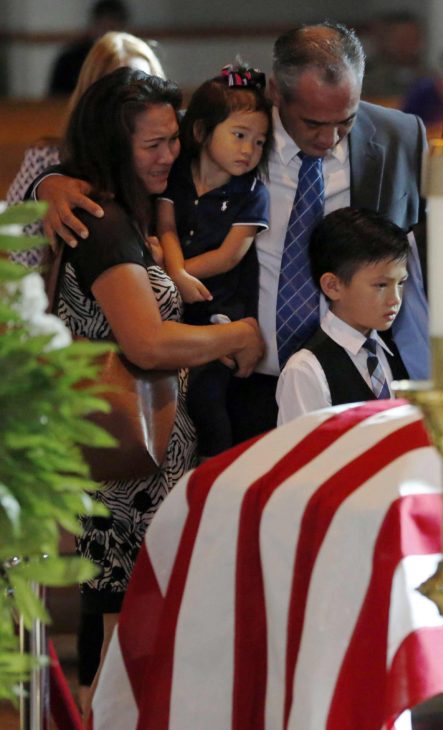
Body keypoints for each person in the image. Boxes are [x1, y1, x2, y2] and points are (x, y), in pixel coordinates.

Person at [35, 21, 443, 444]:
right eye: (312, 124)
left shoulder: (400, 137)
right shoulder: (232, 129)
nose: (328, 139)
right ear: (277, 91)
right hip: (244, 376)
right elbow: (132, 154)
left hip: (361, 382)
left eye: (344, 121)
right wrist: (52, 181)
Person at [55, 67, 264, 710]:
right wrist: (238, 335)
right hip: (128, 476)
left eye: (173, 140)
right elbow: (145, 343)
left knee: (137, 652)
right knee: (125, 662)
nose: (169, 155)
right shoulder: (105, 222)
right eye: (152, 144)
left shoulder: (123, 212)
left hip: (143, 468)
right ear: (114, 145)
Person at [155, 64, 273, 458]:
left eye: (259, 142)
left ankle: (216, 466)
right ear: (202, 131)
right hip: (172, 306)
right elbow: (166, 227)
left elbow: (229, 256)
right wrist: (175, 275)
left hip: (219, 308)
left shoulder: (253, 191)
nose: (248, 150)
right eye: (239, 135)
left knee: (207, 396)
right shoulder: (177, 176)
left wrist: (180, 274)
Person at [5, 31, 164, 267]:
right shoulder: (46, 158)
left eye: (143, 86)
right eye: (116, 89)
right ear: (91, 98)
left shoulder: (171, 152)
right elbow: (21, 252)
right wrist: (45, 185)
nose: (133, 102)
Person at [276, 207, 410, 424]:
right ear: (332, 286)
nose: (395, 299)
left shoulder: (390, 350)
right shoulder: (306, 370)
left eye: (401, 283)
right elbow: (302, 453)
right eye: (381, 285)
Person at [48, 0, 130, 96]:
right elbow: (55, 101)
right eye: (104, 27)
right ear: (94, 26)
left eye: (113, 29)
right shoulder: (69, 60)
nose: (108, 35)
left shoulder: (131, 60)